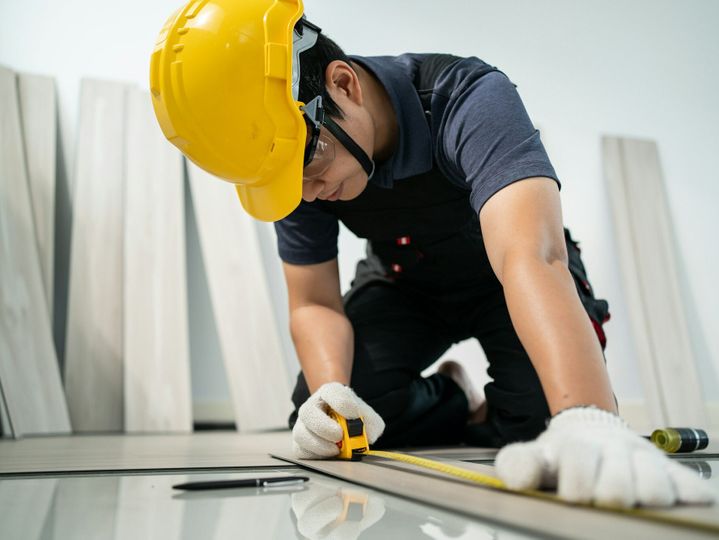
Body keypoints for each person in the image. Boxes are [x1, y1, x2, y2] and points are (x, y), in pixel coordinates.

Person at [151, 0, 715, 508]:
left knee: (547, 425)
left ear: (343, 85)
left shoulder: (468, 97)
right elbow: (314, 302)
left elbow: (532, 256)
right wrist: (331, 395)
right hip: (407, 284)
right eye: (283, 181)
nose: (306, 193)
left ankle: (517, 411)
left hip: (507, 277)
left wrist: (588, 416)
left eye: (310, 168)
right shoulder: (290, 160)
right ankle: (457, 398)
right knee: (338, 418)